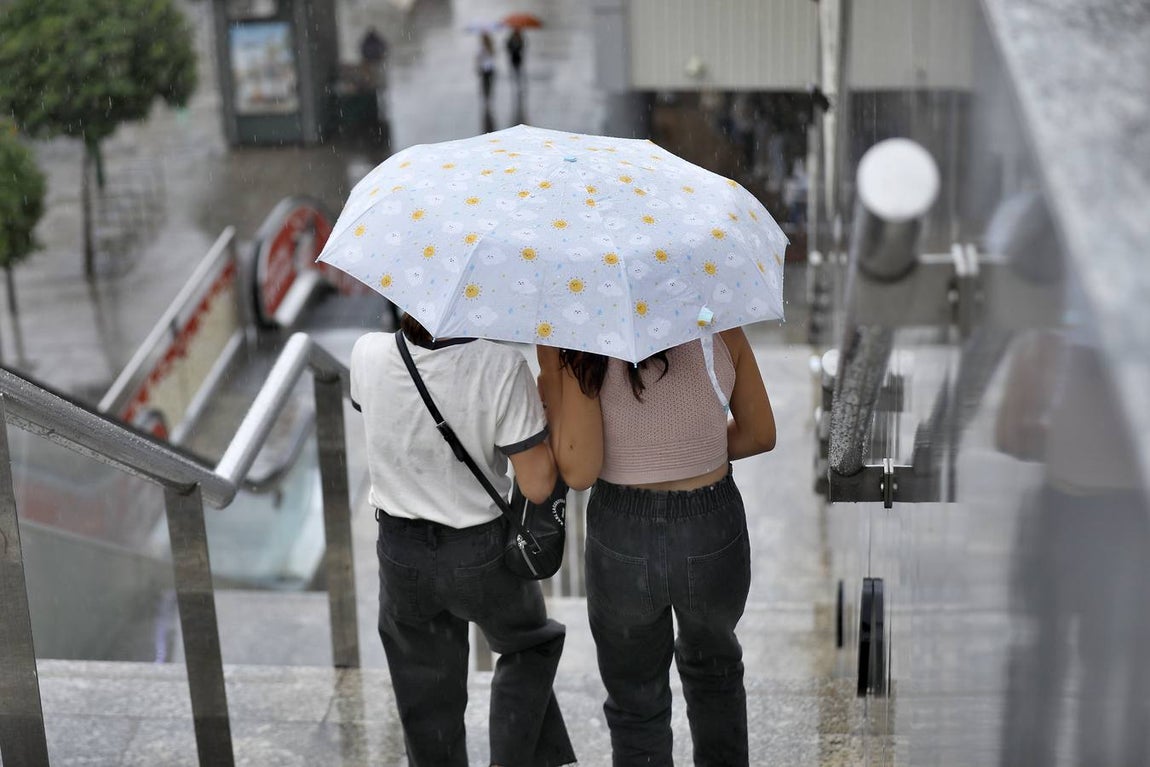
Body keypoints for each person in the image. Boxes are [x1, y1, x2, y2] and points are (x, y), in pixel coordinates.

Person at [537, 328, 776, 766]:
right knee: (716, 676)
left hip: (623, 535)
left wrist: (554, 372)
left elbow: (580, 471)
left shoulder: (587, 344)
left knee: (635, 699)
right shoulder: (720, 327)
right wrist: (695, 451)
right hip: (711, 524)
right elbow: (760, 434)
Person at [351, 312, 576, 767]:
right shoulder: (499, 366)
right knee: (529, 644)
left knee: (423, 685)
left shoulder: (367, 352)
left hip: (400, 552)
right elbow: (535, 485)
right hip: (481, 552)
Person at [477, 32, 496, 107]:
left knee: (486, 82)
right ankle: (487, 95)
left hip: (486, 67)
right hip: (488, 67)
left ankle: (487, 95)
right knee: (487, 82)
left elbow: (478, 57)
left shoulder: (485, 47)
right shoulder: (484, 47)